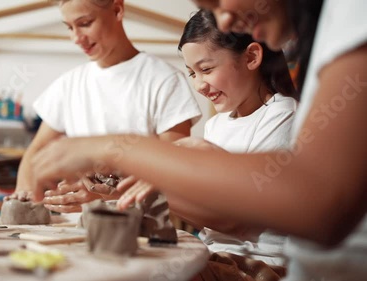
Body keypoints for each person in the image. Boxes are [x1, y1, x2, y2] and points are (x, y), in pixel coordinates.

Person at [29, 0, 367, 280]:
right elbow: (205, 210)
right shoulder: (219, 124)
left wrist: (119, 149)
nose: (199, 84)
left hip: (266, 264)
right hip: (223, 252)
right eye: (193, 73)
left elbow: (240, 216)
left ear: (251, 57)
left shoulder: (283, 113)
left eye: (206, 69)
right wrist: (115, 186)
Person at [5, 0, 202, 213]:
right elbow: (35, 153)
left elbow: (176, 173)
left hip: (140, 230)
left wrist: (103, 195)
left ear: (117, 10)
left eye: (85, 23)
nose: (76, 38)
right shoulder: (69, 84)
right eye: (70, 27)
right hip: (74, 230)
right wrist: (24, 192)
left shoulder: (163, 80)